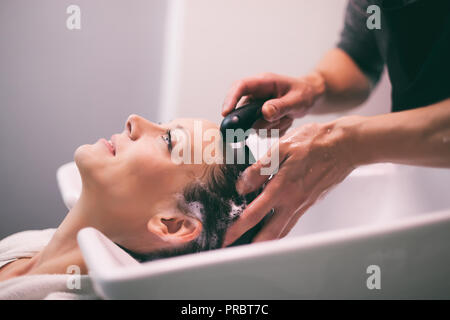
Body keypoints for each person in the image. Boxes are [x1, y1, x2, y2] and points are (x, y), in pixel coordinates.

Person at [221, 0, 450, 246]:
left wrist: (348, 145)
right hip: (418, 176)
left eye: (172, 140)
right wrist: (314, 87)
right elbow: (359, 56)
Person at [0, 115, 266, 298]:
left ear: (172, 224)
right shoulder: (28, 244)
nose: (134, 119)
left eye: (168, 140)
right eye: (163, 126)